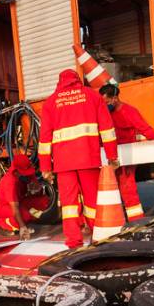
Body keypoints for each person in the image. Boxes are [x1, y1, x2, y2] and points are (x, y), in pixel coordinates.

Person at [39, 69, 119, 249]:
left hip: (63, 163)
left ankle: (73, 241)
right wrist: (112, 156)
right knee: (91, 201)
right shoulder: (93, 96)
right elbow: (107, 130)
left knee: (68, 204)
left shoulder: (50, 103)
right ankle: (97, 237)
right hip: (88, 159)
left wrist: (45, 167)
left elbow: (44, 139)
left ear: (60, 82)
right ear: (78, 80)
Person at [99, 84, 154, 221]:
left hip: (127, 155)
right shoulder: (106, 113)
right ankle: (119, 216)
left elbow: (146, 129)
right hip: (109, 155)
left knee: (127, 187)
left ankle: (135, 220)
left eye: (106, 102)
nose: (105, 105)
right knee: (111, 188)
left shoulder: (129, 112)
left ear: (114, 98)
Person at [0, 153, 50, 240]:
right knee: (25, 215)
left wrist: (37, 189)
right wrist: (22, 227)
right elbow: (14, 207)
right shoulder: (10, 181)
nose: (26, 174)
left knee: (44, 201)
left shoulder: (28, 172)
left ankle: (21, 222)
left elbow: (38, 189)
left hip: (20, 201)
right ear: (16, 171)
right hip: (4, 207)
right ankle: (3, 224)